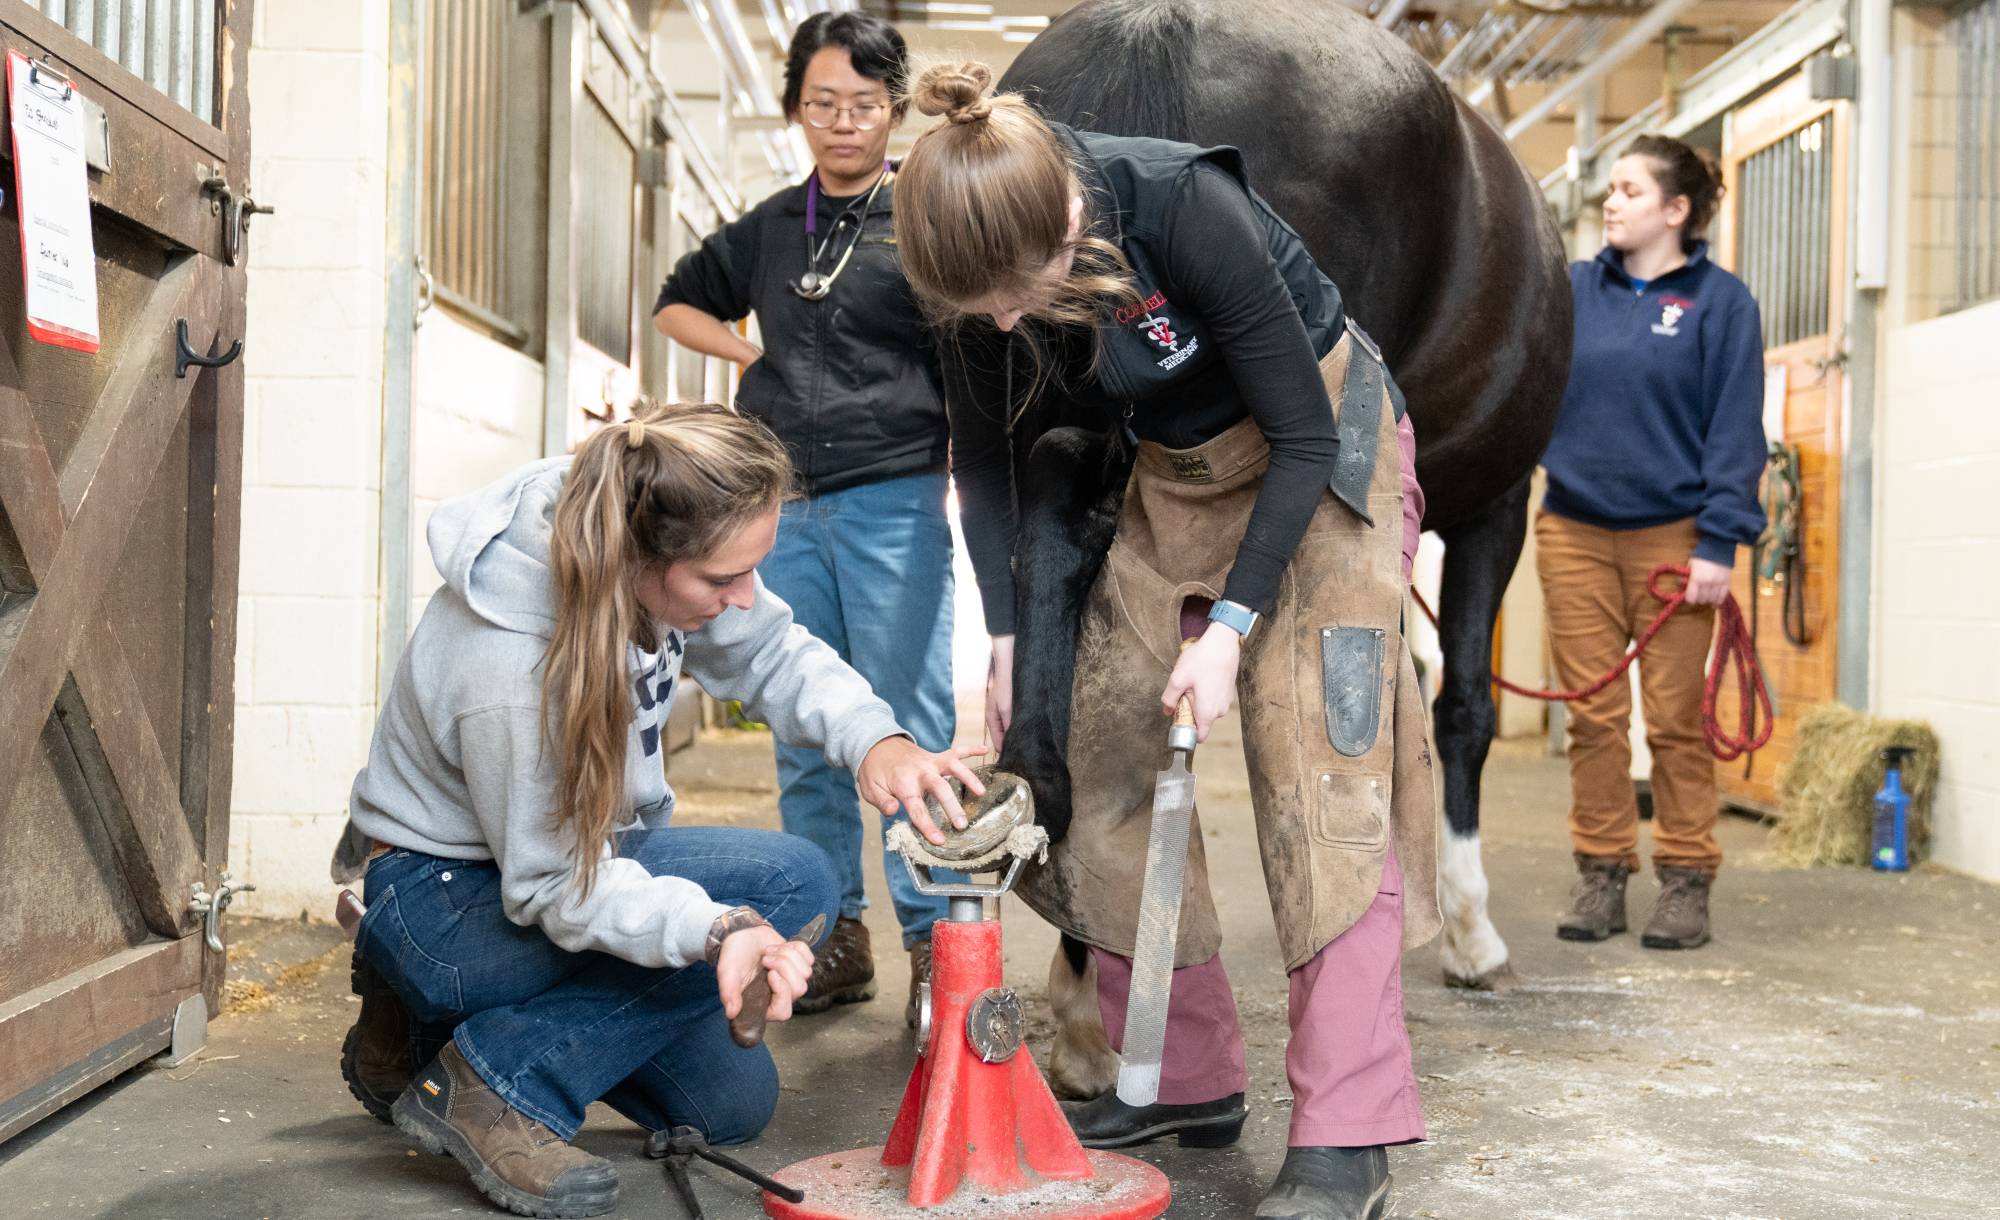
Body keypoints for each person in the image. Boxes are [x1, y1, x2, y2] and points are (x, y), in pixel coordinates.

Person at [892, 63, 1439, 1220]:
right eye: (977, 309)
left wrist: (1234, 626)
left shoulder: (1184, 207)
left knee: (1320, 766)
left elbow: (1296, 431)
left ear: (1071, 219)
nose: (1000, 322)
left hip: (1318, 447)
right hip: (1176, 469)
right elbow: (983, 459)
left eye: (1013, 295)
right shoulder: (978, 264)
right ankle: (1182, 1074)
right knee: (1094, 737)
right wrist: (1001, 633)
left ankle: (1349, 1128)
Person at [336, 404, 985, 1218]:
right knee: (794, 886)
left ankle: (420, 1033)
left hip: (572, 865)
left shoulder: (643, 549)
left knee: (728, 1108)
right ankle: (490, 1081)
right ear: (639, 559)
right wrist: (716, 929)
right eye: (722, 580)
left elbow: (772, 650)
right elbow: (550, 887)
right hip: (448, 899)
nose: (745, 599)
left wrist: (874, 740)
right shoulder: (508, 664)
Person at [653, 11, 958, 1024]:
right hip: (780, 508)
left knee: (904, 719)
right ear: (796, 110)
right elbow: (675, 302)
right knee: (799, 729)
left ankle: (935, 949)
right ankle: (835, 938)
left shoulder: (922, 215)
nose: (843, 123)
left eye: (864, 105)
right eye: (823, 103)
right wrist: (752, 360)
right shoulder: (773, 226)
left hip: (894, 497)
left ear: (892, 110)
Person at [1538, 134, 1766, 951]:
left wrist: (1721, 542)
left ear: (1676, 210)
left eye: (1630, 190)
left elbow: (1737, 431)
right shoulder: (1570, 291)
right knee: (1594, 717)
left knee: (1673, 719)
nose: (1611, 201)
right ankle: (1601, 872)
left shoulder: (1723, 304)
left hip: (1675, 539)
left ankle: (1685, 876)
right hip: (1572, 529)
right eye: (1610, 189)